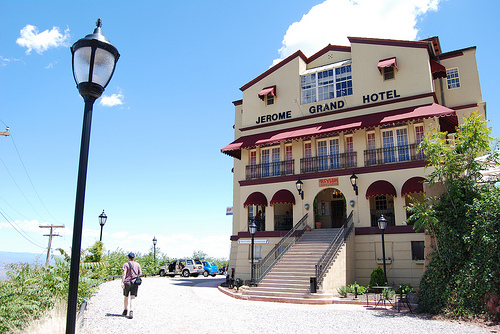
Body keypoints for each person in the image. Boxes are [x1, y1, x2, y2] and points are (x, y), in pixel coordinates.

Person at [122, 252, 142, 319]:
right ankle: (131, 311)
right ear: (134, 258)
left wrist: (122, 282)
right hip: (134, 282)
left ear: (128, 257)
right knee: (132, 297)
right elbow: (140, 273)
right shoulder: (137, 264)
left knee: (126, 296)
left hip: (127, 282)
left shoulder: (126, 264)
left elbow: (124, 273)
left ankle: (125, 310)